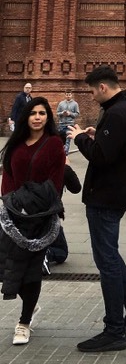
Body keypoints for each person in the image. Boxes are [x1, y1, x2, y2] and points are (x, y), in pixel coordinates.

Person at [67, 65, 126, 353]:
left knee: (107, 262)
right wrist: (98, 134)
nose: (91, 96)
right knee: (111, 255)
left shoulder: (116, 112)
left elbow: (101, 157)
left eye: (92, 90)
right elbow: (119, 146)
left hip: (106, 196)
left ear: (102, 87)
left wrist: (80, 137)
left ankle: (115, 330)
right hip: (120, 194)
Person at [0, 97, 65, 345]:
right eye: (33, 113)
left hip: (39, 218)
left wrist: (42, 209)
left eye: (42, 113)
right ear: (25, 116)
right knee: (8, 268)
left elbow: (55, 182)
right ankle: (31, 305)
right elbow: (8, 176)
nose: (37, 117)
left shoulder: (54, 144)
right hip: (14, 215)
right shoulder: (16, 145)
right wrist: (9, 204)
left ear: (48, 117)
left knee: (31, 271)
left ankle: (24, 322)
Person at [44, 132, 82, 271]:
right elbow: (76, 188)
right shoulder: (62, 168)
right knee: (61, 252)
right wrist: (67, 166)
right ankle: (44, 255)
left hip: (25, 211)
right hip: (50, 214)